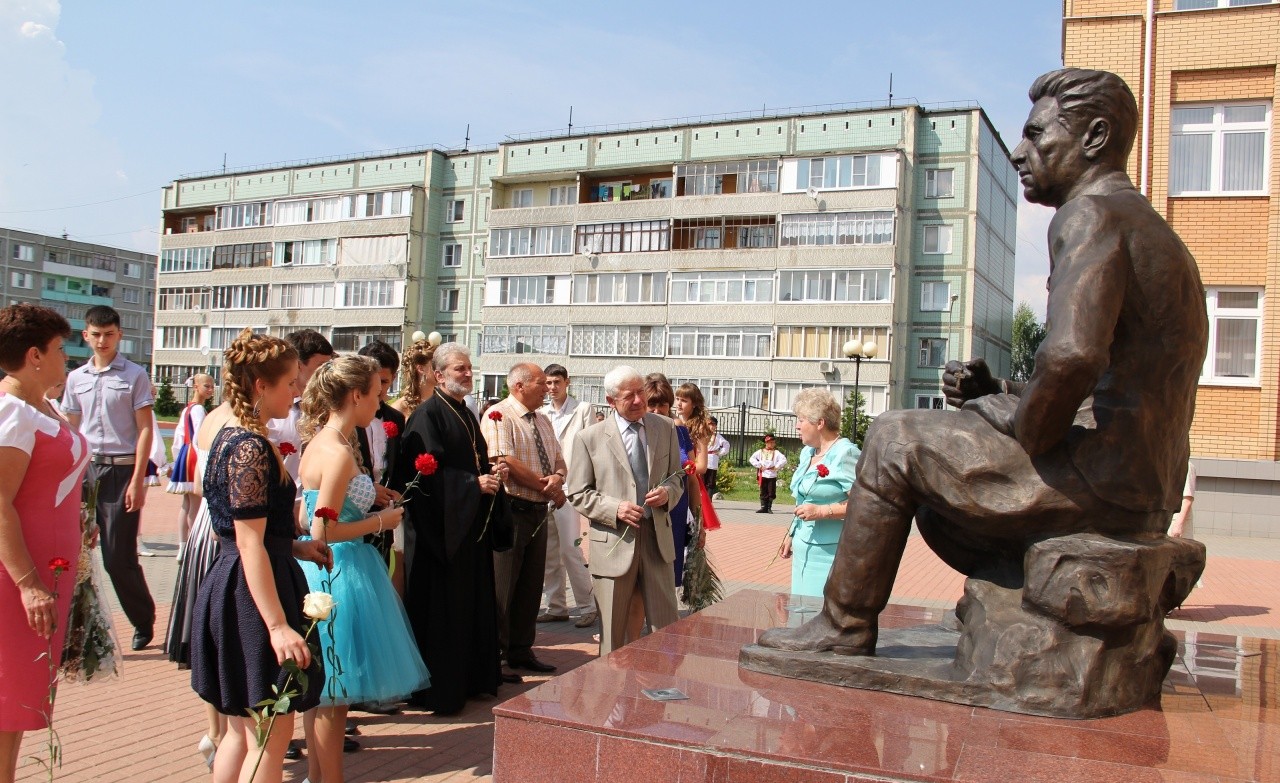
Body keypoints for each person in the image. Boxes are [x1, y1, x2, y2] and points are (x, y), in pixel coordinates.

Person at [758, 68, 1207, 656]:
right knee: (939, 455)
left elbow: (1072, 358)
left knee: (895, 438)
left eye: (1037, 136)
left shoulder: (1090, 215)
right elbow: (1105, 380)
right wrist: (998, 389)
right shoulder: (1155, 233)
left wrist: (1015, 419)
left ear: (1094, 138)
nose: (1021, 153)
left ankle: (842, 625)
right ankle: (997, 605)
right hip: (1143, 478)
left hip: (1102, 477)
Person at [190, 329, 332, 783]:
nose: (297, 391)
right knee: (269, 734)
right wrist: (276, 626)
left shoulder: (231, 438)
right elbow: (247, 541)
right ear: (260, 386)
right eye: (291, 381)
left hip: (237, 581)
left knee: (240, 731)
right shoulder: (250, 447)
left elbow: (247, 531)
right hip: (254, 595)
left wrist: (293, 546)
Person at [296, 356, 429, 783]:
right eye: (375, 393)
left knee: (322, 691)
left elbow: (309, 512)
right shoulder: (336, 451)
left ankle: (320, 777)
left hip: (335, 571)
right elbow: (320, 530)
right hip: (342, 573)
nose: (380, 401)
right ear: (355, 395)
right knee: (333, 694)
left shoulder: (322, 441)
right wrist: (380, 522)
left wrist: (368, 495)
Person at [0, 304, 88, 783]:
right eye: (60, 349)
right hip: (17, 576)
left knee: (15, 703)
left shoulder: (42, 406)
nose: (67, 359)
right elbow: (0, 503)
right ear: (35, 355)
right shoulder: (11, 413)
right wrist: (28, 584)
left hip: (47, 565)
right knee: (6, 698)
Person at [398, 343, 506, 715]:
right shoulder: (427, 416)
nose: (468, 373)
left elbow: (471, 462)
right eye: (459, 369)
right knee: (443, 612)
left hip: (466, 529)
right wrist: (471, 486)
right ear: (438, 375)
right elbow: (419, 478)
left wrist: (490, 477)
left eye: (469, 368)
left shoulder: (464, 412)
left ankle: (472, 679)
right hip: (439, 535)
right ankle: (440, 689)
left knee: (470, 605)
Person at [566, 365, 684, 655]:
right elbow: (577, 492)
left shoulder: (665, 427)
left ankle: (661, 691)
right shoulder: (589, 438)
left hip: (657, 542)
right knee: (613, 634)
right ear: (610, 401)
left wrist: (668, 493)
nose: (638, 401)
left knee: (666, 629)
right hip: (613, 544)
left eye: (640, 392)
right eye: (628, 396)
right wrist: (614, 508)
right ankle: (612, 694)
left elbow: (678, 476)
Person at [61, 305, 156, 651]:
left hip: (121, 471)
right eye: (96, 335)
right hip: (85, 470)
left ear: (120, 335)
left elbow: (145, 430)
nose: (102, 341)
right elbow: (70, 427)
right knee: (71, 550)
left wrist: (137, 480)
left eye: (109, 334)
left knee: (117, 556)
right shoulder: (76, 378)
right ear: (85, 335)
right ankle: (74, 625)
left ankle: (143, 619)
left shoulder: (134, 375)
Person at [481, 363, 565, 676]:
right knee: (504, 585)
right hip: (511, 509)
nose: (547, 389)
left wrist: (557, 478)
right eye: (541, 383)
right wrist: (548, 487)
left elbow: (558, 460)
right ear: (519, 386)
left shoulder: (543, 419)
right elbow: (503, 460)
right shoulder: (497, 415)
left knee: (531, 584)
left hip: (537, 511)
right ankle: (498, 655)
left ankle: (520, 649)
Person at [164, 395, 234, 770]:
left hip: (206, 530)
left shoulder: (213, 417)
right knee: (223, 637)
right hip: (227, 535)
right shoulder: (236, 424)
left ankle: (217, 731)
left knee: (212, 639)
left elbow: (196, 482)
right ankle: (223, 734)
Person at [777, 389, 860, 597]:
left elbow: (864, 505)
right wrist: (791, 533)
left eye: (801, 419)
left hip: (831, 555)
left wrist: (823, 511)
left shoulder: (845, 453)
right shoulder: (808, 453)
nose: (796, 425)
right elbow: (803, 499)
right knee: (801, 615)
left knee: (821, 617)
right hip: (803, 549)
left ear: (819, 423)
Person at [537, 364, 597, 628]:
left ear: (567, 382)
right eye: (548, 383)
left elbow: (593, 447)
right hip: (546, 488)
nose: (552, 388)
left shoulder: (582, 410)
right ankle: (556, 605)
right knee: (549, 550)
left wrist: (586, 485)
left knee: (570, 548)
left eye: (556, 382)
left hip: (571, 488)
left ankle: (587, 605)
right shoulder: (541, 412)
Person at [167, 373, 215, 563]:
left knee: (187, 504)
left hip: (185, 454)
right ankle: (193, 546)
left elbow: (179, 437)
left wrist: (177, 458)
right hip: (195, 455)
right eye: (206, 386)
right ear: (195, 386)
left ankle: (182, 545)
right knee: (194, 503)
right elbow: (200, 437)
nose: (210, 389)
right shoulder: (198, 410)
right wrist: (203, 461)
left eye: (212, 386)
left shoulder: (187, 409)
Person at [390, 338, 436, 421]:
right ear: (421, 369)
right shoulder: (399, 408)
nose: (441, 370)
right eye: (435, 365)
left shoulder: (445, 403)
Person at [749, 435, 787, 514]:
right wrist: (759, 465)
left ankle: (769, 507)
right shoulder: (760, 451)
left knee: (771, 491)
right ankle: (763, 507)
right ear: (766, 443)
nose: (773, 444)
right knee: (763, 490)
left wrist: (776, 466)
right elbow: (752, 459)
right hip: (763, 474)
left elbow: (783, 459)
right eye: (771, 442)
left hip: (772, 475)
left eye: (773, 442)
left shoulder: (776, 452)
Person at [705, 416, 730, 501]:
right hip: (703, 459)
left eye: (713, 424)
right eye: (709, 424)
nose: (711, 427)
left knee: (711, 481)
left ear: (716, 426)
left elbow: (726, 445)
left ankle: (709, 499)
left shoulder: (718, 437)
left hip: (712, 459)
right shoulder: (702, 434)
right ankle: (701, 499)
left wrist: (720, 453)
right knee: (702, 479)